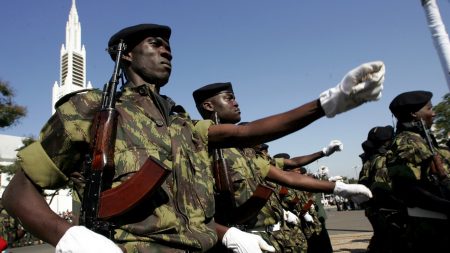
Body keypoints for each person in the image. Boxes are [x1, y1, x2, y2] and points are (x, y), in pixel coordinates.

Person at [2, 23, 384, 253]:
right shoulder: (89, 110)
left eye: (168, 45)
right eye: (154, 43)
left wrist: (327, 102)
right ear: (127, 55)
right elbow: (18, 192)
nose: (166, 49)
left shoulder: (182, 124)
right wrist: (67, 235)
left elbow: (248, 132)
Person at [192, 81, 381, 252]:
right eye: (229, 98)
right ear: (209, 105)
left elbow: (287, 176)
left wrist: (338, 188)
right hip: (234, 240)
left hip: (265, 238)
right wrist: (326, 103)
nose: (236, 103)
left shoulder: (245, 152)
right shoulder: (196, 144)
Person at [386, 90, 450, 252]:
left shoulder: (421, 139)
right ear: (414, 114)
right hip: (431, 229)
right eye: (429, 109)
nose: (434, 113)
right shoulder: (406, 143)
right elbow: (407, 189)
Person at [358, 125, 407, 253]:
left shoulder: (369, 161)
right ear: (387, 142)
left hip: (374, 210)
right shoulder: (383, 160)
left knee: (381, 238)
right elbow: (383, 189)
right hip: (386, 211)